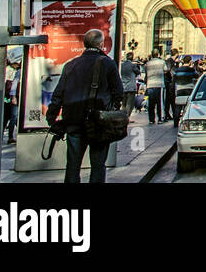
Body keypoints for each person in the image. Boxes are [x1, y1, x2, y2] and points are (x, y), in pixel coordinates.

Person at [46, 29, 123, 184]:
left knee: (73, 164)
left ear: (84, 44)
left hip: (74, 122)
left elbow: (58, 94)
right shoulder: (108, 63)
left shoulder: (70, 65)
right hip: (99, 122)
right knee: (98, 164)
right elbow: (118, 92)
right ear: (101, 44)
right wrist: (111, 110)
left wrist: (51, 117)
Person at [144, 51, 166, 124]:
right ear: (158, 54)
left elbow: (146, 73)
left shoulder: (147, 63)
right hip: (159, 84)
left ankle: (151, 119)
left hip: (150, 84)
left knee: (151, 103)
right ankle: (160, 118)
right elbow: (166, 70)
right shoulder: (162, 62)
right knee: (160, 102)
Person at [119, 52, 141, 118]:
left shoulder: (122, 65)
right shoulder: (132, 65)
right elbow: (138, 72)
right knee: (129, 103)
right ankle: (127, 117)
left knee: (124, 103)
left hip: (124, 86)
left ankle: (123, 116)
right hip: (131, 87)